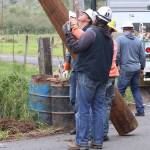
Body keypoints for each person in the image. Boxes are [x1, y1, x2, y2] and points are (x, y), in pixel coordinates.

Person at [63, 6, 113, 150]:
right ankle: (97, 142)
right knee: (99, 109)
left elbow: (76, 48)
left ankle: (81, 142)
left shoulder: (92, 32)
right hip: (102, 78)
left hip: (87, 76)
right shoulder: (108, 37)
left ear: (96, 19)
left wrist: (68, 33)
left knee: (83, 109)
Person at [63, 9, 96, 135]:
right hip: (75, 69)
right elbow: (71, 48)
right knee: (73, 99)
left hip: (83, 70)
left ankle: (82, 129)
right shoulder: (76, 29)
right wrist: (67, 66)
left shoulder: (89, 32)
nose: (80, 15)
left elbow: (79, 47)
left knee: (81, 101)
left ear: (88, 19)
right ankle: (79, 126)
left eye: (83, 14)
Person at [116, 21, 146, 116]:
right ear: (132, 29)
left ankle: (120, 113)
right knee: (136, 89)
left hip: (125, 68)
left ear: (124, 29)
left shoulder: (120, 39)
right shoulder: (138, 40)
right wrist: (142, 67)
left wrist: (117, 65)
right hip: (136, 68)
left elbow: (117, 54)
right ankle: (140, 111)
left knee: (120, 91)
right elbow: (142, 56)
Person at [103, 20, 119, 141]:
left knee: (99, 104)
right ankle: (104, 132)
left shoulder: (104, 42)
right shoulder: (114, 42)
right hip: (113, 74)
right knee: (107, 104)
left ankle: (99, 133)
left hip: (104, 75)